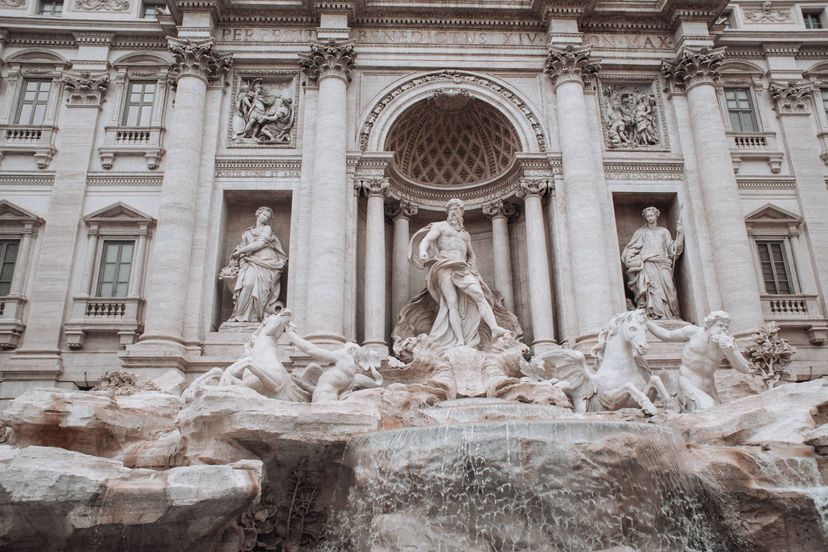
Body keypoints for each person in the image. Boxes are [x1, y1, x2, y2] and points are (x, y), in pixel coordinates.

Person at [409, 198, 509, 349]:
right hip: (444, 265)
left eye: (457, 209)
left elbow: (471, 254)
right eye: (452, 209)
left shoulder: (465, 235)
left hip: (462, 267)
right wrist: (423, 251)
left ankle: (494, 328)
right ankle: (459, 340)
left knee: (479, 295)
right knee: (452, 303)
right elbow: (427, 240)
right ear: (448, 212)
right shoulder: (440, 226)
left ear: (462, 213)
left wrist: (473, 269)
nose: (454, 212)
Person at [645, 311, 752, 412]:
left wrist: (731, 351)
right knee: (708, 408)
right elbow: (666, 335)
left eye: (726, 327)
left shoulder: (729, 344)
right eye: (720, 325)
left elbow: (745, 369)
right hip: (688, 384)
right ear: (709, 325)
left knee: (720, 413)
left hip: (709, 389)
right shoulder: (693, 332)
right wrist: (646, 321)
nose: (723, 329)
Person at [227, 206, 288, 323]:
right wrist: (238, 253)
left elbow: (260, 244)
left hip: (267, 261)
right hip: (250, 261)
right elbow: (242, 246)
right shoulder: (247, 232)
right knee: (248, 283)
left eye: (267, 217)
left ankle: (256, 316)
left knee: (262, 289)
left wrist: (240, 251)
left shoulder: (267, 229)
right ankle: (240, 315)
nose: (265, 218)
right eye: (263, 215)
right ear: (257, 214)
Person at [621, 206, 684, 320]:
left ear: (656, 216)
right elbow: (631, 249)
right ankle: (657, 315)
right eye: (648, 216)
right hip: (648, 264)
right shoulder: (641, 232)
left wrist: (680, 235)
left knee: (669, 289)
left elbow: (672, 250)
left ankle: (671, 314)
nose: (650, 218)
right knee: (653, 289)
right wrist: (632, 259)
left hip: (663, 263)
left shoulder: (664, 232)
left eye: (652, 215)